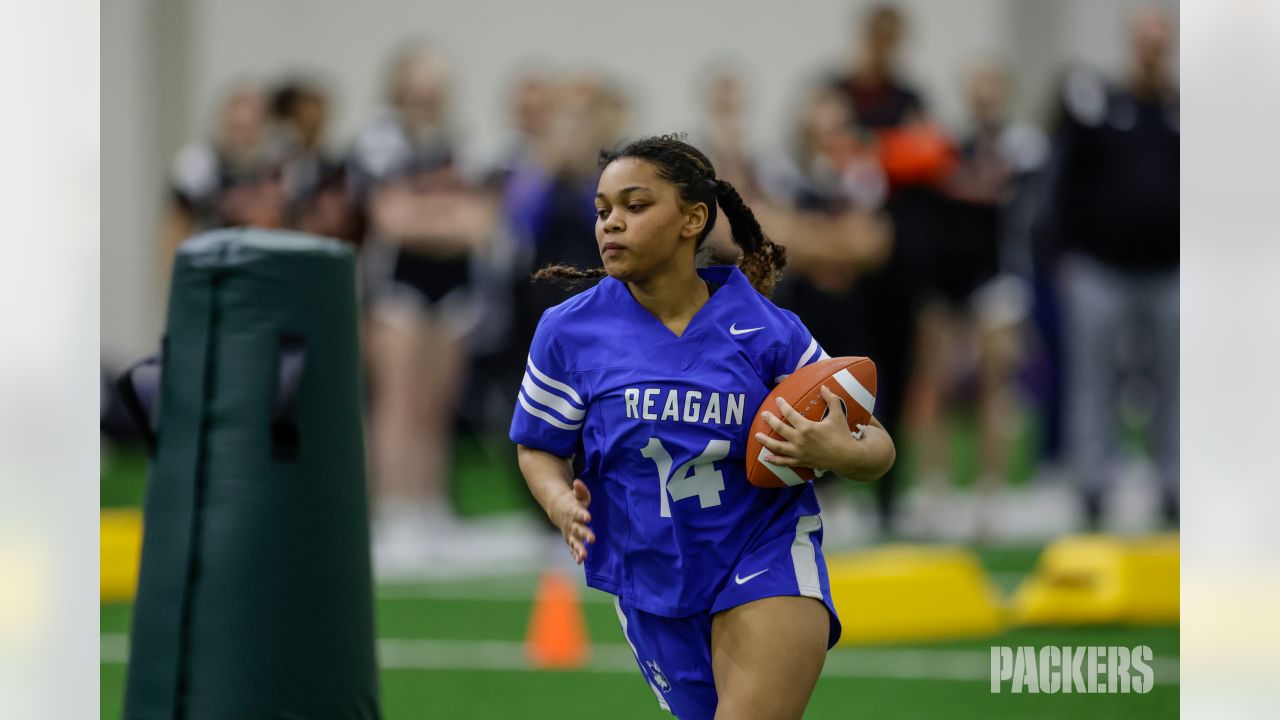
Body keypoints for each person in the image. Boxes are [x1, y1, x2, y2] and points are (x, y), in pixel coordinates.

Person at [510, 135, 896, 719]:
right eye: (603, 209)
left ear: (693, 218)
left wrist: (838, 450)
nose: (611, 224)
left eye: (635, 206)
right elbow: (538, 447)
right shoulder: (567, 332)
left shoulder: (767, 330)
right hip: (651, 575)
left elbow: (879, 445)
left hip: (763, 552)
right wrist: (561, 503)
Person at [1045, 5, 1179, 529]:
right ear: (1132, 45)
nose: (1153, 49)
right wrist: (1062, 254)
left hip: (1171, 272)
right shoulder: (1099, 107)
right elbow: (1064, 184)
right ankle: (1094, 487)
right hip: (1100, 268)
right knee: (1094, 380)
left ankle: (1173, 485)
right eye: (1146, 39)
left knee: (1174, 383)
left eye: (1161, 40)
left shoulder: (1181, 112)